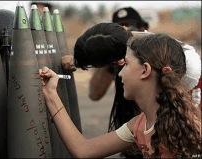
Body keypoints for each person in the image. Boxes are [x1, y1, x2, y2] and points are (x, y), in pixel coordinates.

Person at [39, 32, 201, 158]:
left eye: (127, 64)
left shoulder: (191, 128)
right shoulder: (138, 125)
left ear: (145, 70)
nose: (120, 74)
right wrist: (51, 94)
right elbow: (83, 150)